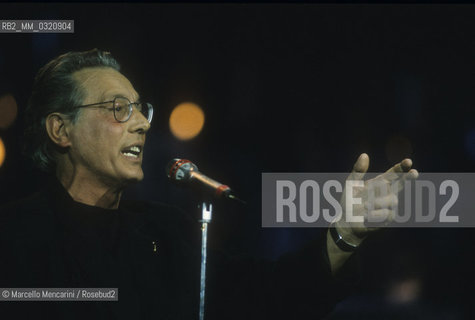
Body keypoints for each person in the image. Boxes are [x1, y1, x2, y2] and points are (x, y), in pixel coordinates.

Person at [0, 49, 417, 319]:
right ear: (60, 130)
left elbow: (268, 295)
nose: (143, 123)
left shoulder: (165, 232)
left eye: (140, 109)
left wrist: (343, 235)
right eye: (119, 109)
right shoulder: (14, 238)